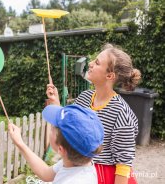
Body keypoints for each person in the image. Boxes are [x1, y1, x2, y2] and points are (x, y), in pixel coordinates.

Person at [46, 43, 141, 184]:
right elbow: (69, 125)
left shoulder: (121, 114)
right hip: (80, 170)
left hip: (105, 178)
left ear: (110, 75)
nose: (90, 63)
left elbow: (123, 164)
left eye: (97, 62)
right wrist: (56, 102)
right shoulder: (84, 97)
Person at [8, 104, 104, 184]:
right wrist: (19, 143)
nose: (51, 127)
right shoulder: (78, 161)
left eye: (53, 127)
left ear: (61, 150)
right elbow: (46, 174)